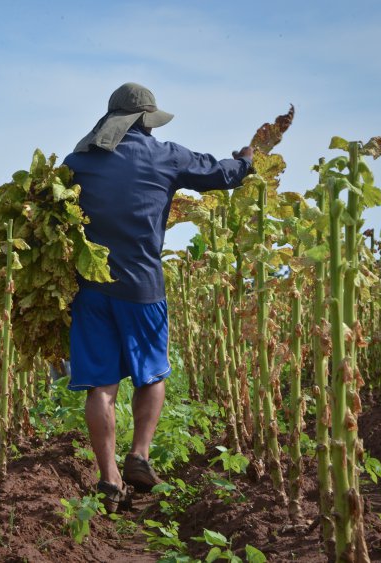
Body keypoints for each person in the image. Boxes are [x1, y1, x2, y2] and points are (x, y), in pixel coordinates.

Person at [62, 82, 253, 513]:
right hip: (142, 288)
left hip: (90, 291)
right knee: (151, 375)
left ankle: (108, 478)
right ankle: (140, 456)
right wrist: (245, 160)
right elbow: (221, 174)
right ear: (146, 121)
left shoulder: (77, 162)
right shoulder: (165, 155)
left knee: (101, 385)